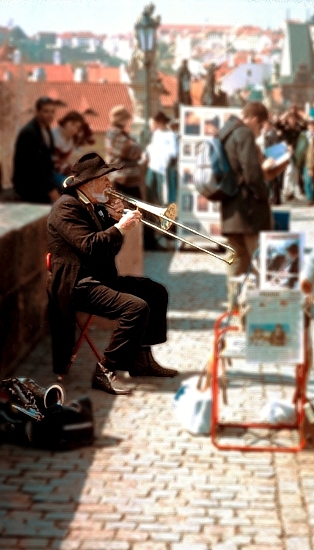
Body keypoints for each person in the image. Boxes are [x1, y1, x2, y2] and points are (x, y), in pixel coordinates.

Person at [47, 152, 178, 395]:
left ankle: (141, 360)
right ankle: (106, 369)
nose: (110, 184)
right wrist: (119, 227)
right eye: (104, 179)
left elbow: (108, 251)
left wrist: (114, 223)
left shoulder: (96, 208)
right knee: (136, 308)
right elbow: (90, 246)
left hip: (100, 278)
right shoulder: (66, 208)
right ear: (87, 183)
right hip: (77, 284)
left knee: (155, 291)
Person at [217, 101, 272, 308]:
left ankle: (234, 307)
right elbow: (251, 172)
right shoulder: (244, 133)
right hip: (248, 211)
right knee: (259, 261)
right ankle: (258, 311)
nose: (258, 133)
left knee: (235, 259)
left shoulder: (225, 132)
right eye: (260, 128)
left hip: (230, 209)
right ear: (255, 120)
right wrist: (264, 194)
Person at [12, 97, 60, 204]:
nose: (50, 115)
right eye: (46, 111)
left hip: (43, 185)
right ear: (38, 112)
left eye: (52, 112)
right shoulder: (29, 133)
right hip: (30, 187)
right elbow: (34, 166)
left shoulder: (47, 130)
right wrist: (51, 191)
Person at [105, 105, 143, 201]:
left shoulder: (120, 133)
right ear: (121, 119)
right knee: (131, 208)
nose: (127, 122)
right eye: (126, 119)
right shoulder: (114, 133)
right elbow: (131, 151)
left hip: (127, 179)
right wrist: (137, 148)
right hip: (122, 179)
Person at [52, 111, 85, 190]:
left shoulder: (70, 140)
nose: (74, 129)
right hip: (49, 173)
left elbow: (65, 161)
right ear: (65, 122)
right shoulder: (54, 136)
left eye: (77, 127)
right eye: (72, 124)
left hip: (61, 171)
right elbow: (53, 163)